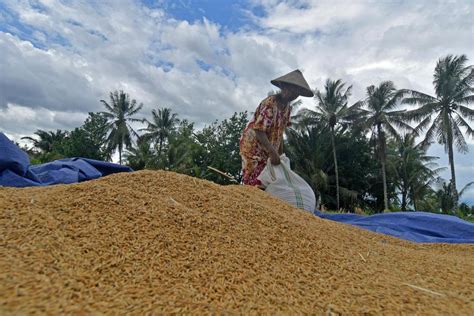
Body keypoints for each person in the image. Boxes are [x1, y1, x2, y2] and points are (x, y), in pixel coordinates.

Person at [239, 69, 314, 186]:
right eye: (291, 89)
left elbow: (279, 133)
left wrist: (280, 154)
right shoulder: (270, 103)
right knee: (255, 180)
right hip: (254, 146)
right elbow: (259, 130)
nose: (293, 94)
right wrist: (272, 152)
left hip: (268, 148)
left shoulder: (287, 108)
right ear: (283, 86)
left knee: (268, 181)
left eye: (296, 92)